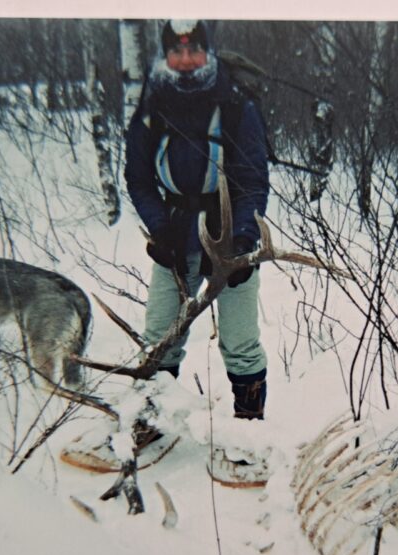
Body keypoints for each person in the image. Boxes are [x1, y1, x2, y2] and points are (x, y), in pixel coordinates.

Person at [124, 20, 270, 421]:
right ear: (165, 55)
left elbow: (254, 180)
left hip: (229, 234)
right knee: (159, 339)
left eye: (194, 50)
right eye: (177, 51)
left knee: (241, 342)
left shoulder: (236, 104)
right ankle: (151, 421)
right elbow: (138, 178)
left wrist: (241, 243)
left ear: (207, 52)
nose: (186, 60)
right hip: (174, 235)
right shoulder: (152, 105)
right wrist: (161, 228)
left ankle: (250, 428)